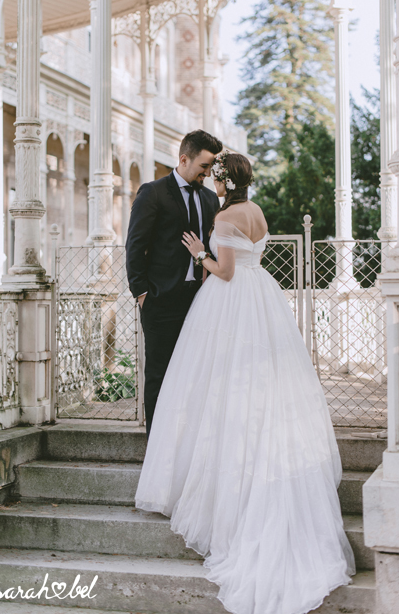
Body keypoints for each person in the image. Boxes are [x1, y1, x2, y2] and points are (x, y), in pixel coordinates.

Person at [135, 151, 356, 614]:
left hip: (230, 299)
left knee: (217, 384)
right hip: (263, 298)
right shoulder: (255, 211)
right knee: (265, 385)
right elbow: (249, 261)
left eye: (216, 178)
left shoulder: (226, 215)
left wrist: (200, 254)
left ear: (223, 182)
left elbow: (226, 270)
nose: (212, 184)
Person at [125, 129, 223, 436]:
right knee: (159, 374)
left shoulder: (209, 198)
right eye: (204, 166)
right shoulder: (153, 192)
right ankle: (156, 442)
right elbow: (135, 245)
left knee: (196, 373)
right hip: (160, 302)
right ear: (184, 159)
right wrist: (142, 293)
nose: (208, 174)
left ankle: (187, 439)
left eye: (211, 168)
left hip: (199, 301)